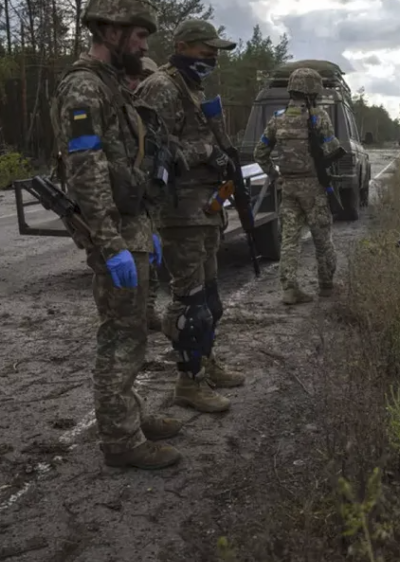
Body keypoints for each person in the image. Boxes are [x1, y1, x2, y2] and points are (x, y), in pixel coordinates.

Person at [50, 0, 182, 470]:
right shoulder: (85, 86)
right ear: (108, 30)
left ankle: (131, 415)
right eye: (138, 35)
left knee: (133, 336)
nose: (145, 45)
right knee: (120, 338)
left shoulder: (111, 87)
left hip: (131, 227)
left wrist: (145, 228)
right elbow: (87, 171)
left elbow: (126, 166)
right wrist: (111, 246)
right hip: (114, 235)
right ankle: (121, 441)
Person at [136, 18, 244, 414]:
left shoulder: (192, 87)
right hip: (180, 211)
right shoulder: (162, 87)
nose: (213, 56)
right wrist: (204, 153)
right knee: (190, 303)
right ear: (182, 45)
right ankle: (188, 381)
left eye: (216, 50)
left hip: (205, 209)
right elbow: (149, 149)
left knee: (210, 301)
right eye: (206, 49)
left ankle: (205, 363)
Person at [253, 67, 343, 305]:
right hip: (313, 187)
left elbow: (260, 153)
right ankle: (326, 285)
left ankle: (289, 289)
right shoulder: (318, 117)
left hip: (289, 188)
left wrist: (275, 175)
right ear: (313, 90)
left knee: (289, 239)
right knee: (322, 237)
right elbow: (334, 149)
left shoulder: (277, 118)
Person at [124, 55, 164, 333]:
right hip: (128, 202)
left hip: (148, 201)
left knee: (152, 263)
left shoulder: (147, 117)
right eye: (136, 78)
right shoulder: (120, 114)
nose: (139, 84)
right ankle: (136, 315)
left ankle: (148, 310)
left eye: (144, 79)